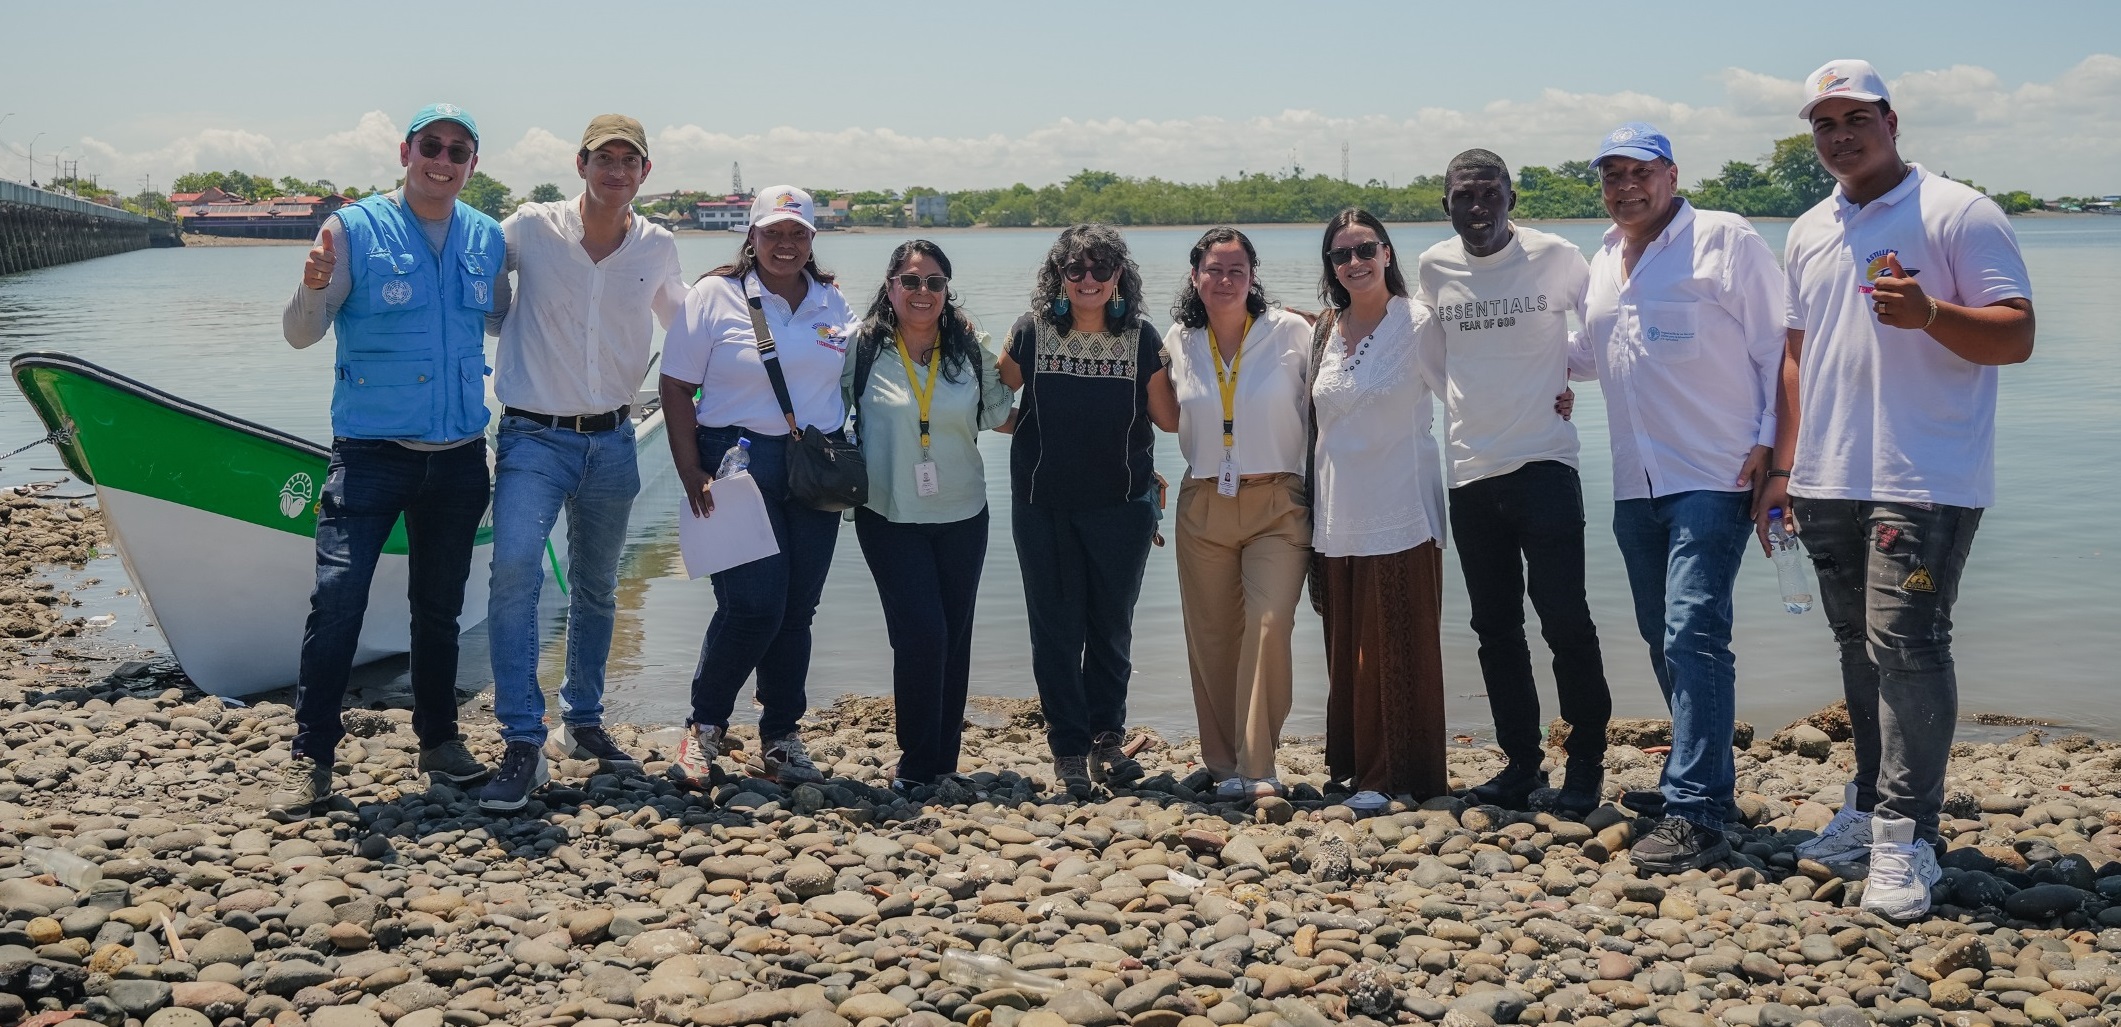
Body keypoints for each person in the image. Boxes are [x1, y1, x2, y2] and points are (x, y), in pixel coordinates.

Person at [1758, 60, 2034, 920]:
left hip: (1922, 476)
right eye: (1822, 124)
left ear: (1890, 119)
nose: (1837, 136)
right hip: (1828, 475)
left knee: (1908, 643)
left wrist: (1929, 315)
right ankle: (1870, 802)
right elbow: (1796, 355)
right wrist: (1781, 468)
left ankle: (1903, 837)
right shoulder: (1807, 229)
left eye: (1853, 118)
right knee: (1856, 648)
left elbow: (2016, 334)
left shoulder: (1957, 210)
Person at [269, 102, 506, 817]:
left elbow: (506, 322)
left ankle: (439, 739)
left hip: (461, 456)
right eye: (430, 145)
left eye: (458, 150)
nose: (443, 159)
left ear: (472, 164)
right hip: (371, 454)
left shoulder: (487, 237)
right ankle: (311, 756)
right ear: (406, 151)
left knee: (438, 610)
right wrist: (309, 288)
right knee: (336, 601)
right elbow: (300, 336)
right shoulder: (352, 229)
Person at [1576, 123, 1785, 870]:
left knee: (1692, 631)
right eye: (1611, 175)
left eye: (1640, 172)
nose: (1625, 187)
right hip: (1635, 481)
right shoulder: (1602, 258)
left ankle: (1695, 809)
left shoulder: (1724, 239)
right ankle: (1705, 784)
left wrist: (1775, 454)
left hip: (1715, 472)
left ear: (1670, 173)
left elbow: (1776, 347)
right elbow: (1588, 354)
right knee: (1659, 633)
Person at [477, 114, 686, 812]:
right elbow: (464, 271)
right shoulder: (530, 228)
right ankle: (520, 739)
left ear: (644, 174)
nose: (616, 171)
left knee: (598, 587)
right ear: (580, 164)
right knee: (514, 574)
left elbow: (685, 330)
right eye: (605, 159)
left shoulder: (657, 246)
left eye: (630, 161)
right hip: (532, 438)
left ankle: (583, 721)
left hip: (615, 439)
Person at [1415, 148, 1610, 815]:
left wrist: (1565, 374)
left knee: (1565, 619)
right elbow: (1431, 359)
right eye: (1463, 195)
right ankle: (1521, 763)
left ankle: (1585, 761)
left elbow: (1605, 325)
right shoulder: (1432, 267)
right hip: (1470, 471)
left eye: (1489, 192)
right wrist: (1473, 407)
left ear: (1510, 197)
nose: (1477, 207)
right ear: (1445, 204)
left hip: (1545, 465)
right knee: (1494, 627)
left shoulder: (1555, 256)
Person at [659, 187, 852, 789]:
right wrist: (690, 469)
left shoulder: (832, 300)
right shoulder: (714, 296)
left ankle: (781, 736)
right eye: (773, 232)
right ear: (752, 235)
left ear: (812, 239)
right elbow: (673, 386)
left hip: (812, 466)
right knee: (752, 604)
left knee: (798, 609)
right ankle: (705, 727)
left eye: (797, 233)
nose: (785, 244)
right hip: (735, 461)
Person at [844, 241, 1015, 798]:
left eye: (935, 283)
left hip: (964, 512)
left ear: (948, 291)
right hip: (888, 512)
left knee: (955, 635)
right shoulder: (862, 348)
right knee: (922, 634)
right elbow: (826, 407)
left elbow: (999, 411)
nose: (923, 293)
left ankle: (944, 758)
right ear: (890, 286)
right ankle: (914, 762)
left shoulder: (967, 348)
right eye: (911, 281)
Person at [1147, 228, 1313, 801]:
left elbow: (1342, 386)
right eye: (1213, 269)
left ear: (1253, 275)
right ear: (1195, 276)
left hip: (1278, 503)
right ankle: (1223, 768)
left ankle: (1259, 763)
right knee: (1213, 640)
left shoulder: (1291, 331)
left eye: (1236, 269)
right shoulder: (1180, 338)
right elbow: (1167, 420)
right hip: (1203, 505)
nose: (1224, 279)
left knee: (1269, 628)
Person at [999, 223, 1161, 798]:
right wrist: (1037, 432)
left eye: (1101, 268)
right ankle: (1068, 748)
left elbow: (1167, 418)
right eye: (1076, 270)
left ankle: (1107, 738)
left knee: (1111, 629)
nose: (1088, 279)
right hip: (1043, 508)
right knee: (1056, 633)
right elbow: (996, 402)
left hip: (1123, 509)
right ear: (1059, 278)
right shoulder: (1031, 332)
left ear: (1120, 275)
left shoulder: (1142, 338)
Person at [1305, 210, 1450, 812]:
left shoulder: (1421, 324)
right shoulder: (1325, 330)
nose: (1355, 262)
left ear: (1388, 253)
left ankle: (1395, 776)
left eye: (1366, 249)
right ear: (1331, 268)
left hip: (1401, 509)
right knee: (1346, 648)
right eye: (1341, 255)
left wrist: (1558, 393)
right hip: (1336, 512)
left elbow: (1472, 386)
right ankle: (1354, 766)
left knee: (1396, 644)